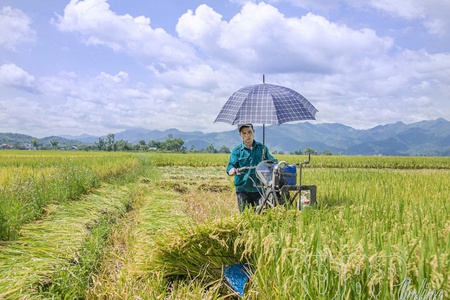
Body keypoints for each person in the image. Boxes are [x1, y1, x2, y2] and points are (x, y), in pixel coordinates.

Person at [226, 124, 277, 212]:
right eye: (244, 133)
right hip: (243, 189)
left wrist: (270, 164)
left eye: (249, 132)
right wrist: (232, 170)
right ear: (240, 135)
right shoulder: (237, 151)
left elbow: (273, 162)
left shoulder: (262, 148)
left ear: (254, 132)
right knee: (245, 216)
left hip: (259, 188)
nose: (247, 136)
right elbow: (231, 166)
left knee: (262, 214)